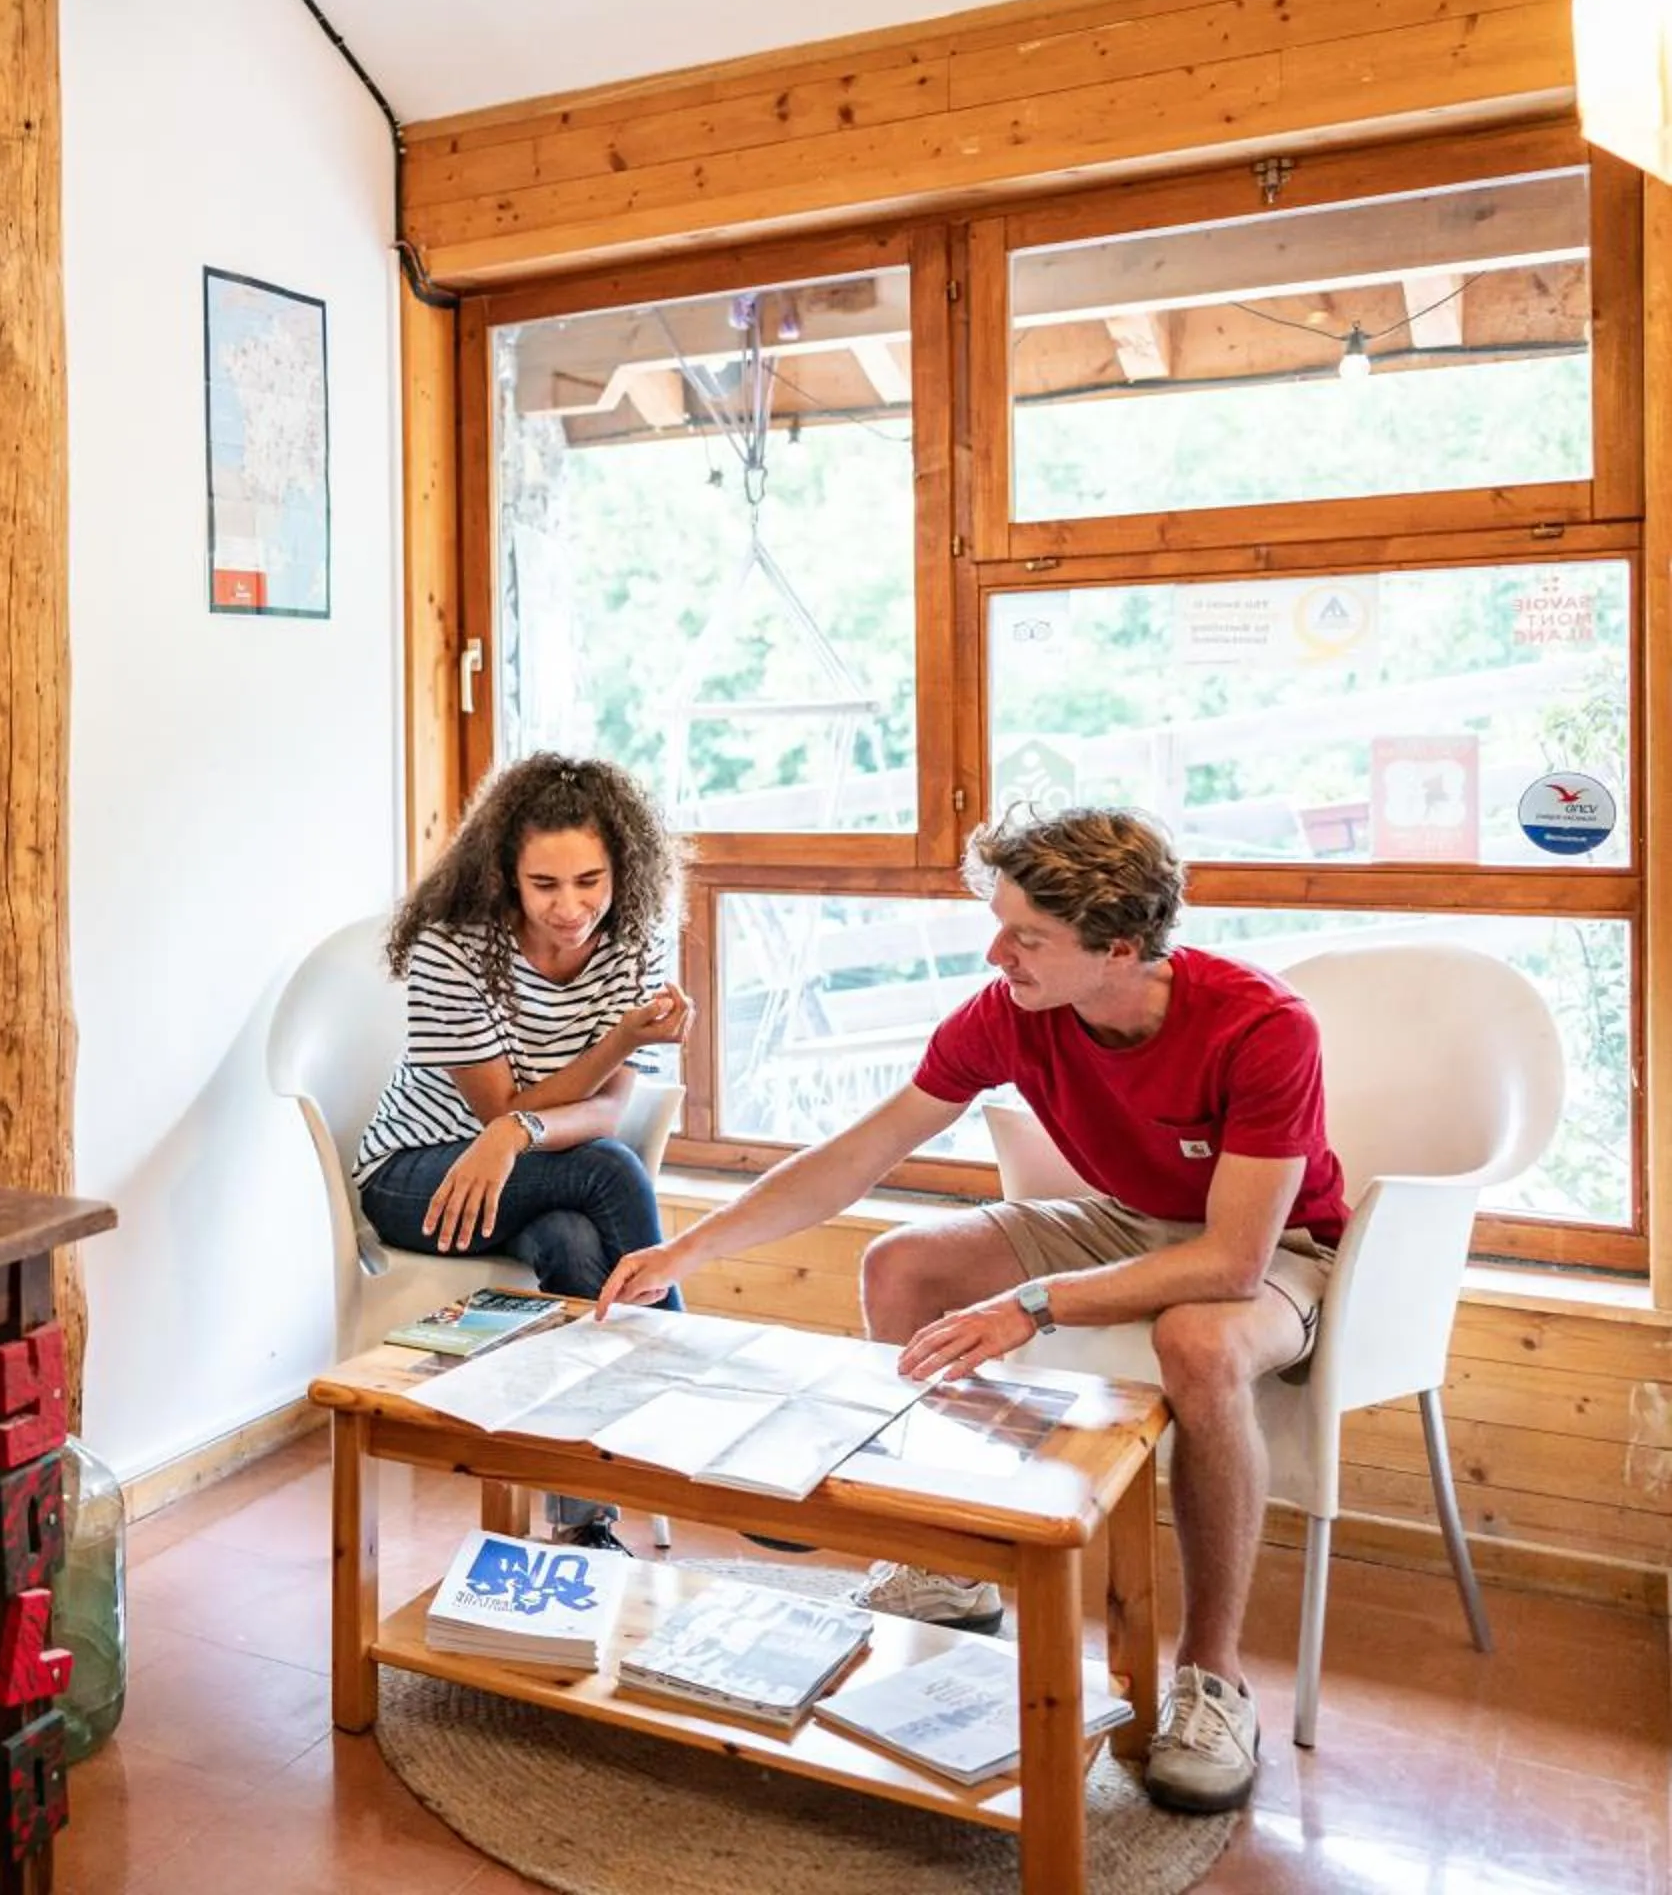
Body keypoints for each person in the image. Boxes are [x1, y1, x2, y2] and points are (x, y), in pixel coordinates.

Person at [596, 807, 1344, 1815]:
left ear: (1118, 947)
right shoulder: (1010, 1011)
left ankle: (1212, 1678)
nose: (998, 953)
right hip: (1125, 1216)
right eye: (999, 925)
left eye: (1027, 937)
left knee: (1196, 1341)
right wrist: (689, 1245)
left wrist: (1034, 1304)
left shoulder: (1261, 1026)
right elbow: (859, 1154)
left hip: (1278, 1247)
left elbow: (1231, 1257)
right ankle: (956, 1569)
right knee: (899, 1266)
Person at [355, 753, 693, 1551]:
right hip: (420, 1175)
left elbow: (607, 1108)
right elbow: (496, 1108)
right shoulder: (454, 948)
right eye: (545, 886)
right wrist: (525, 1114)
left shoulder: (634, 943)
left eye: (590, 881)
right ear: (506, 875)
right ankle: (689, 1389)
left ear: (622, 870)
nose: (571, 907)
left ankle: (584, 1524)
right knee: (609, 1171)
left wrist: (519, 1134)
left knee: (575, 1242)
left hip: (525, 1175)